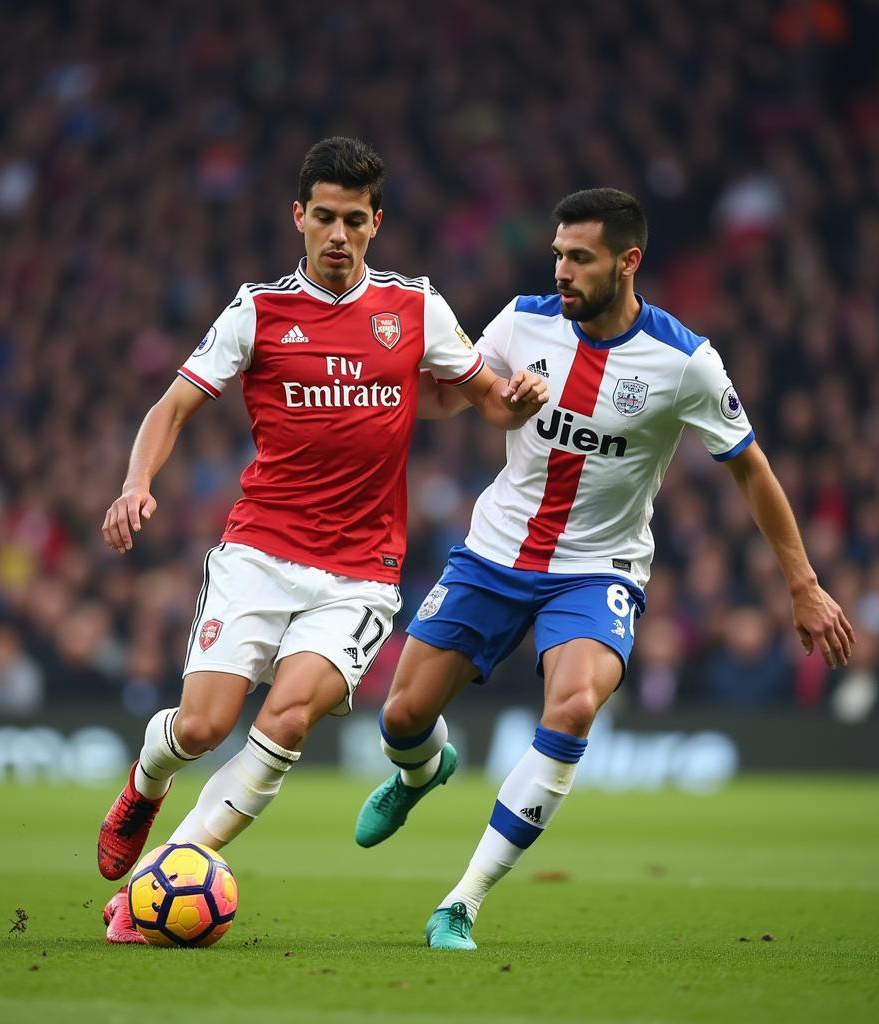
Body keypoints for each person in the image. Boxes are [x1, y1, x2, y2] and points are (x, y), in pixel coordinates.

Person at [354, 187, 856, 950]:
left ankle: (462, 901)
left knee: (577, 704)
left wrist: (805, 584)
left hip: (599, 569)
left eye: (579, 258)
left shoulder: (685, 361)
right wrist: (443, 396)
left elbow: (751, 469)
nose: (561, 270)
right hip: (493, 553)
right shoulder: (522, 322)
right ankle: (422, 771)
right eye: (557, 253)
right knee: (400, 718)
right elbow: (449, 401)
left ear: (628, 262)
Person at [96, 136, 548, 943]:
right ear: (298, 217)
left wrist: (518, 394)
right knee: (200, 728)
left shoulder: (415, 309)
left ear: (377, 224)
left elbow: (488, 402)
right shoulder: (258, 310)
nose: (339, 235)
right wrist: (137, 484)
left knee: (289, 720)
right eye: (325, 218)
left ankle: (159, 876)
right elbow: (170, 408)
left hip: (360, 572)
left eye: (356, 221)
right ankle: (144, 784)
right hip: (259, 553)